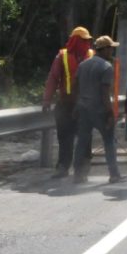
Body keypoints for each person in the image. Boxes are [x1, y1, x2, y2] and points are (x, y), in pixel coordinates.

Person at [42, 26, 94, 178]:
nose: (87, 43)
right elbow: (53, 77)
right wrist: (47, 99)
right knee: (65, 137)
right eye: (84, 40)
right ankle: (63, 167)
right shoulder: (62, 56)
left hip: (85, 105)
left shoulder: (91, 55)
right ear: (75, 41)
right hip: (66, 103)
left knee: (85, 138)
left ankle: (82, 169)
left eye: (88, 40)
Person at [72, 35, 123, 184]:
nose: (112, 51)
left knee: (82, 142)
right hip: (99, 110)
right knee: (109, 142)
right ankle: (114, 174)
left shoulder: (83, 65)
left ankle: (77, 174)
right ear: (104, 49)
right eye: (111, 48)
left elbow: (76, 87)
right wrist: (110, 113)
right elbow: (104, 93)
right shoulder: (106, 67)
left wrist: (76, 106)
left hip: (83, 108)